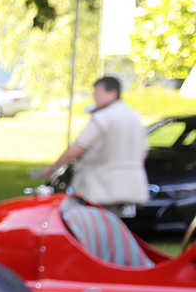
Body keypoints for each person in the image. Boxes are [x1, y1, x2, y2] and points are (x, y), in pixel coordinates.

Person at [41, 76, 148, 210]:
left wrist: (54, 167)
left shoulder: (103, 117)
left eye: (97, 93)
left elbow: (77, 148)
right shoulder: (134, 117)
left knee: (93, 227)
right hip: (129, 186)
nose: (94, 97)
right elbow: (143, 153)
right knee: (114, 225)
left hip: (101, 186)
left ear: (112, 93)